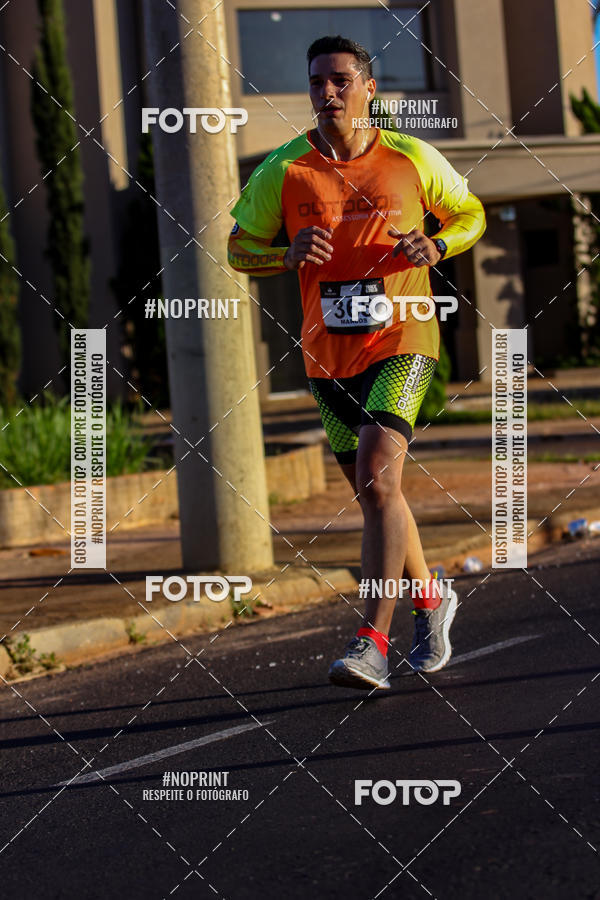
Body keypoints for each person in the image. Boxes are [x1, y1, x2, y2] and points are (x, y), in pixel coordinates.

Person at [228, 35, 486, 690]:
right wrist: (285, 255)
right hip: (326, 355)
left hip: (404, 339)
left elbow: (470, 212)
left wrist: (438, 242)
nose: (328, 92)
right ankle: (431, 596)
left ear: (369, 88)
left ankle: (372, 639)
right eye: (317, 82)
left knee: (376, 477)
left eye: (341, 79)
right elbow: (238, 249)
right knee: (380, 494)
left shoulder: (409, 156)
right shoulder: (284, 170)